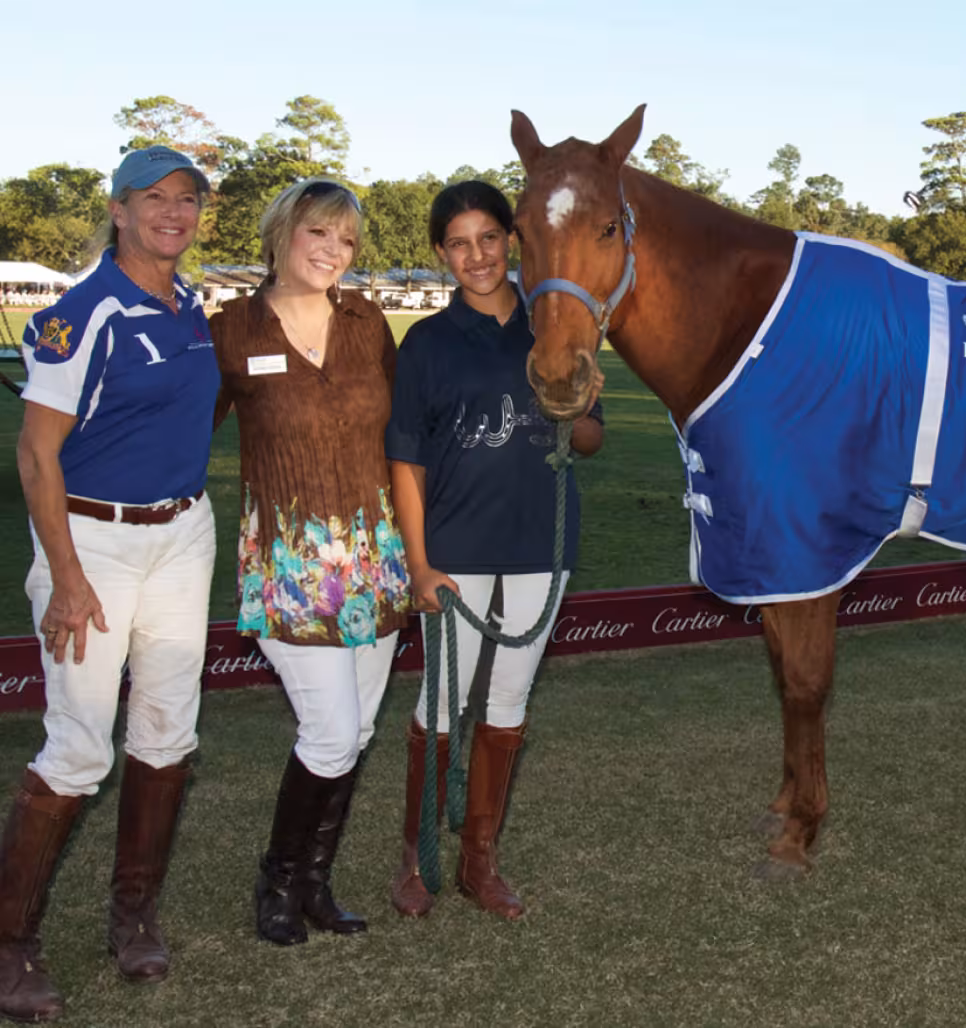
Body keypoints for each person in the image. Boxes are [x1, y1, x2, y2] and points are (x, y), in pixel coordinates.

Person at [1, 145, 218, 1022]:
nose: (174, 211)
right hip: (93, 540)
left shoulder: (194, 307)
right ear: (120, 211)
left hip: (184, 534)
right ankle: (10, 944)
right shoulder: (78, 314)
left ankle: (133, 918)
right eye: (155, 198)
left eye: (188, 199)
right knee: (82, 745)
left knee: (168, 732)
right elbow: (35, 454)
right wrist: (64, 576)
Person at [385, 180, 603, 922]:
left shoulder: (553, 320)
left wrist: (573, 410)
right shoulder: (426, 343)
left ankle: (481, 858)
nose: (475, 255)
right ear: (441, 253)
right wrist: (418, 563)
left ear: (511, 240)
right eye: (458, 243)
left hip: (542, 543)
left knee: (507, 701)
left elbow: (592, 438)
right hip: (455, 547)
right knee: (442, 701)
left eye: (487, 238)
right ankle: (418, 856)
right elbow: (406, 462)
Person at [208, 178, 411, 946]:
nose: (332, 252)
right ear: (280, 233)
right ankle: (280, 880)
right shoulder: (230, 330)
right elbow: (179, 428)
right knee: (330, 732)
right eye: (318, 234)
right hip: (291, 568)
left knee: (354, 737)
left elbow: (405, 440)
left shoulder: (367, 324)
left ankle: (316, 885)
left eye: (346, 240)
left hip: (375, 559)